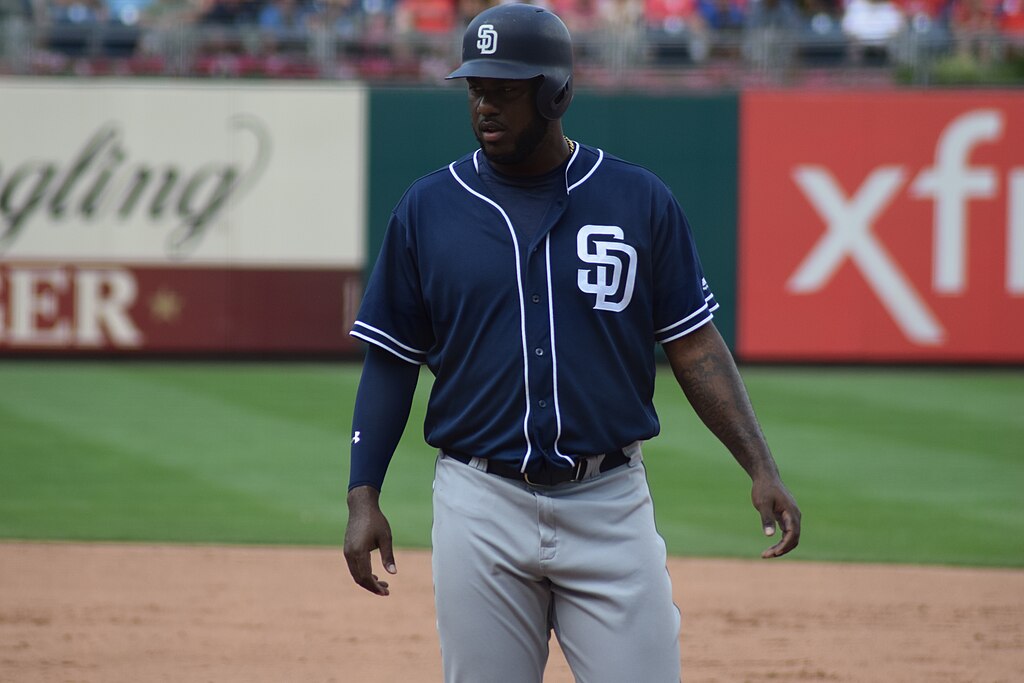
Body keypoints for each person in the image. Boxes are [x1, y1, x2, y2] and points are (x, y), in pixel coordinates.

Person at [343, 3, 801, 681]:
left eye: (504, 91)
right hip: (480, 502)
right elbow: (390, 362)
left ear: (555, 91)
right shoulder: (427, 208)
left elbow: (695, 346)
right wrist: (363, 494)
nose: (485, 108)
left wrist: (760, 464)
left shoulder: (638, 200)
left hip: (609, 501)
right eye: (476, 91)